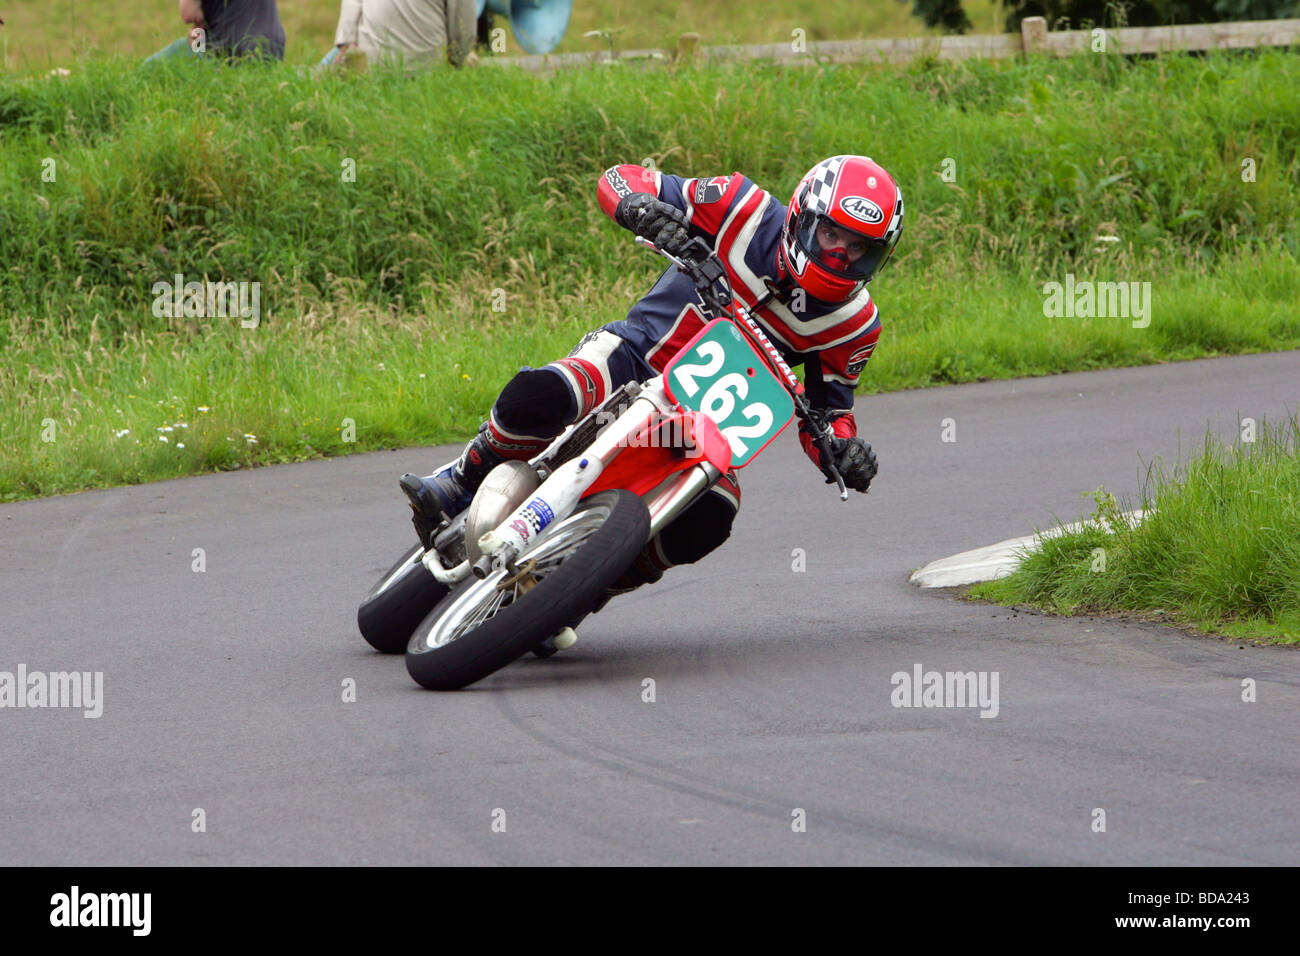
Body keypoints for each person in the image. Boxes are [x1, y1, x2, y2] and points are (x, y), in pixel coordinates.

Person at [401, 155, 903, 597]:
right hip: (636, 356)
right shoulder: (740, 206)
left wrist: (842, 452)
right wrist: (638, 208)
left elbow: (830, 412)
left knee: (712, 518)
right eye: (831, 235)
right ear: (801, 218)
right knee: (538, 395)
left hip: (707, 427)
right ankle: (457, 480)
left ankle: (588, 589)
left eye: (859, 249)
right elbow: (621, 179)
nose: (839, 255)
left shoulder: (855, 326)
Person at [322, 0, 476, 70]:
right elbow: (464, 27)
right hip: (427, 68)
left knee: (326, 65)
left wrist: (347, 44)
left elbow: (352, 4)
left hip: (371, 64)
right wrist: (459, 58)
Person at [145, 0, 285, 63]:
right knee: (197, 39)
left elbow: (188, 14)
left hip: (229, 52)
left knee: (150, 67)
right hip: (272, 51)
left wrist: (198, 46)